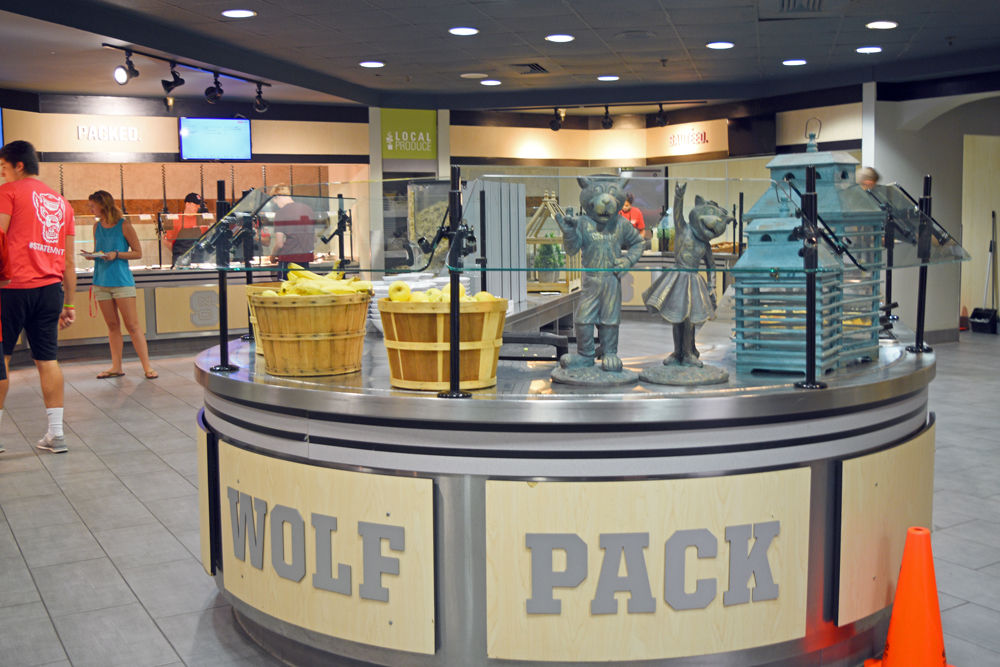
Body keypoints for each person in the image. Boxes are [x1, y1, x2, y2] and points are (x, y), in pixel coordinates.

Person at [0, 140, 76, 454]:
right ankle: (56, 434)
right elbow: (70, 261)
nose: (2, 174)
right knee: (48, 360)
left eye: (4, 168)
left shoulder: (8, 193)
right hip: (50, 291)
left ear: (18, 165)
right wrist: (69, 303)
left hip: (11, 288)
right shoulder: (62, 203)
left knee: (2, 358)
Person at [88, 190, 158, 380]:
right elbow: (98, 250)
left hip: (121, 281)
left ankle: (147, 367)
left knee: (133, 326)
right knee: (112, 326)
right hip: (101, 282)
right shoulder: (96, 227)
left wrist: (116, 254)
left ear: (103, 205)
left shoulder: (124, 225)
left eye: (93, 205)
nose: (91, 208)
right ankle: (116, 366)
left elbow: (137, 252)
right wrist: (93, 255)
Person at [267, 184, 315, 280]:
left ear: (277, 196)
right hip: (306, 259)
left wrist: (272, 256)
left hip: (288, 260)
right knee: (303, 290)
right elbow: (313, 237)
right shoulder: (308, 209)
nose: (276, 204)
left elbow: (279, 244)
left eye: (275, 201)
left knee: (285, 290)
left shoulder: (281, 213)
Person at [167, 192, 204, 267]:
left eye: (198, 205)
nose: (198, 207)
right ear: (187, 204)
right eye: (195, 205)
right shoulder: (175, 219)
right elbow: (167, 241)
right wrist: (178, 253)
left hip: (198, 262)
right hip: (180, 261)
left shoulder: (201, 220)